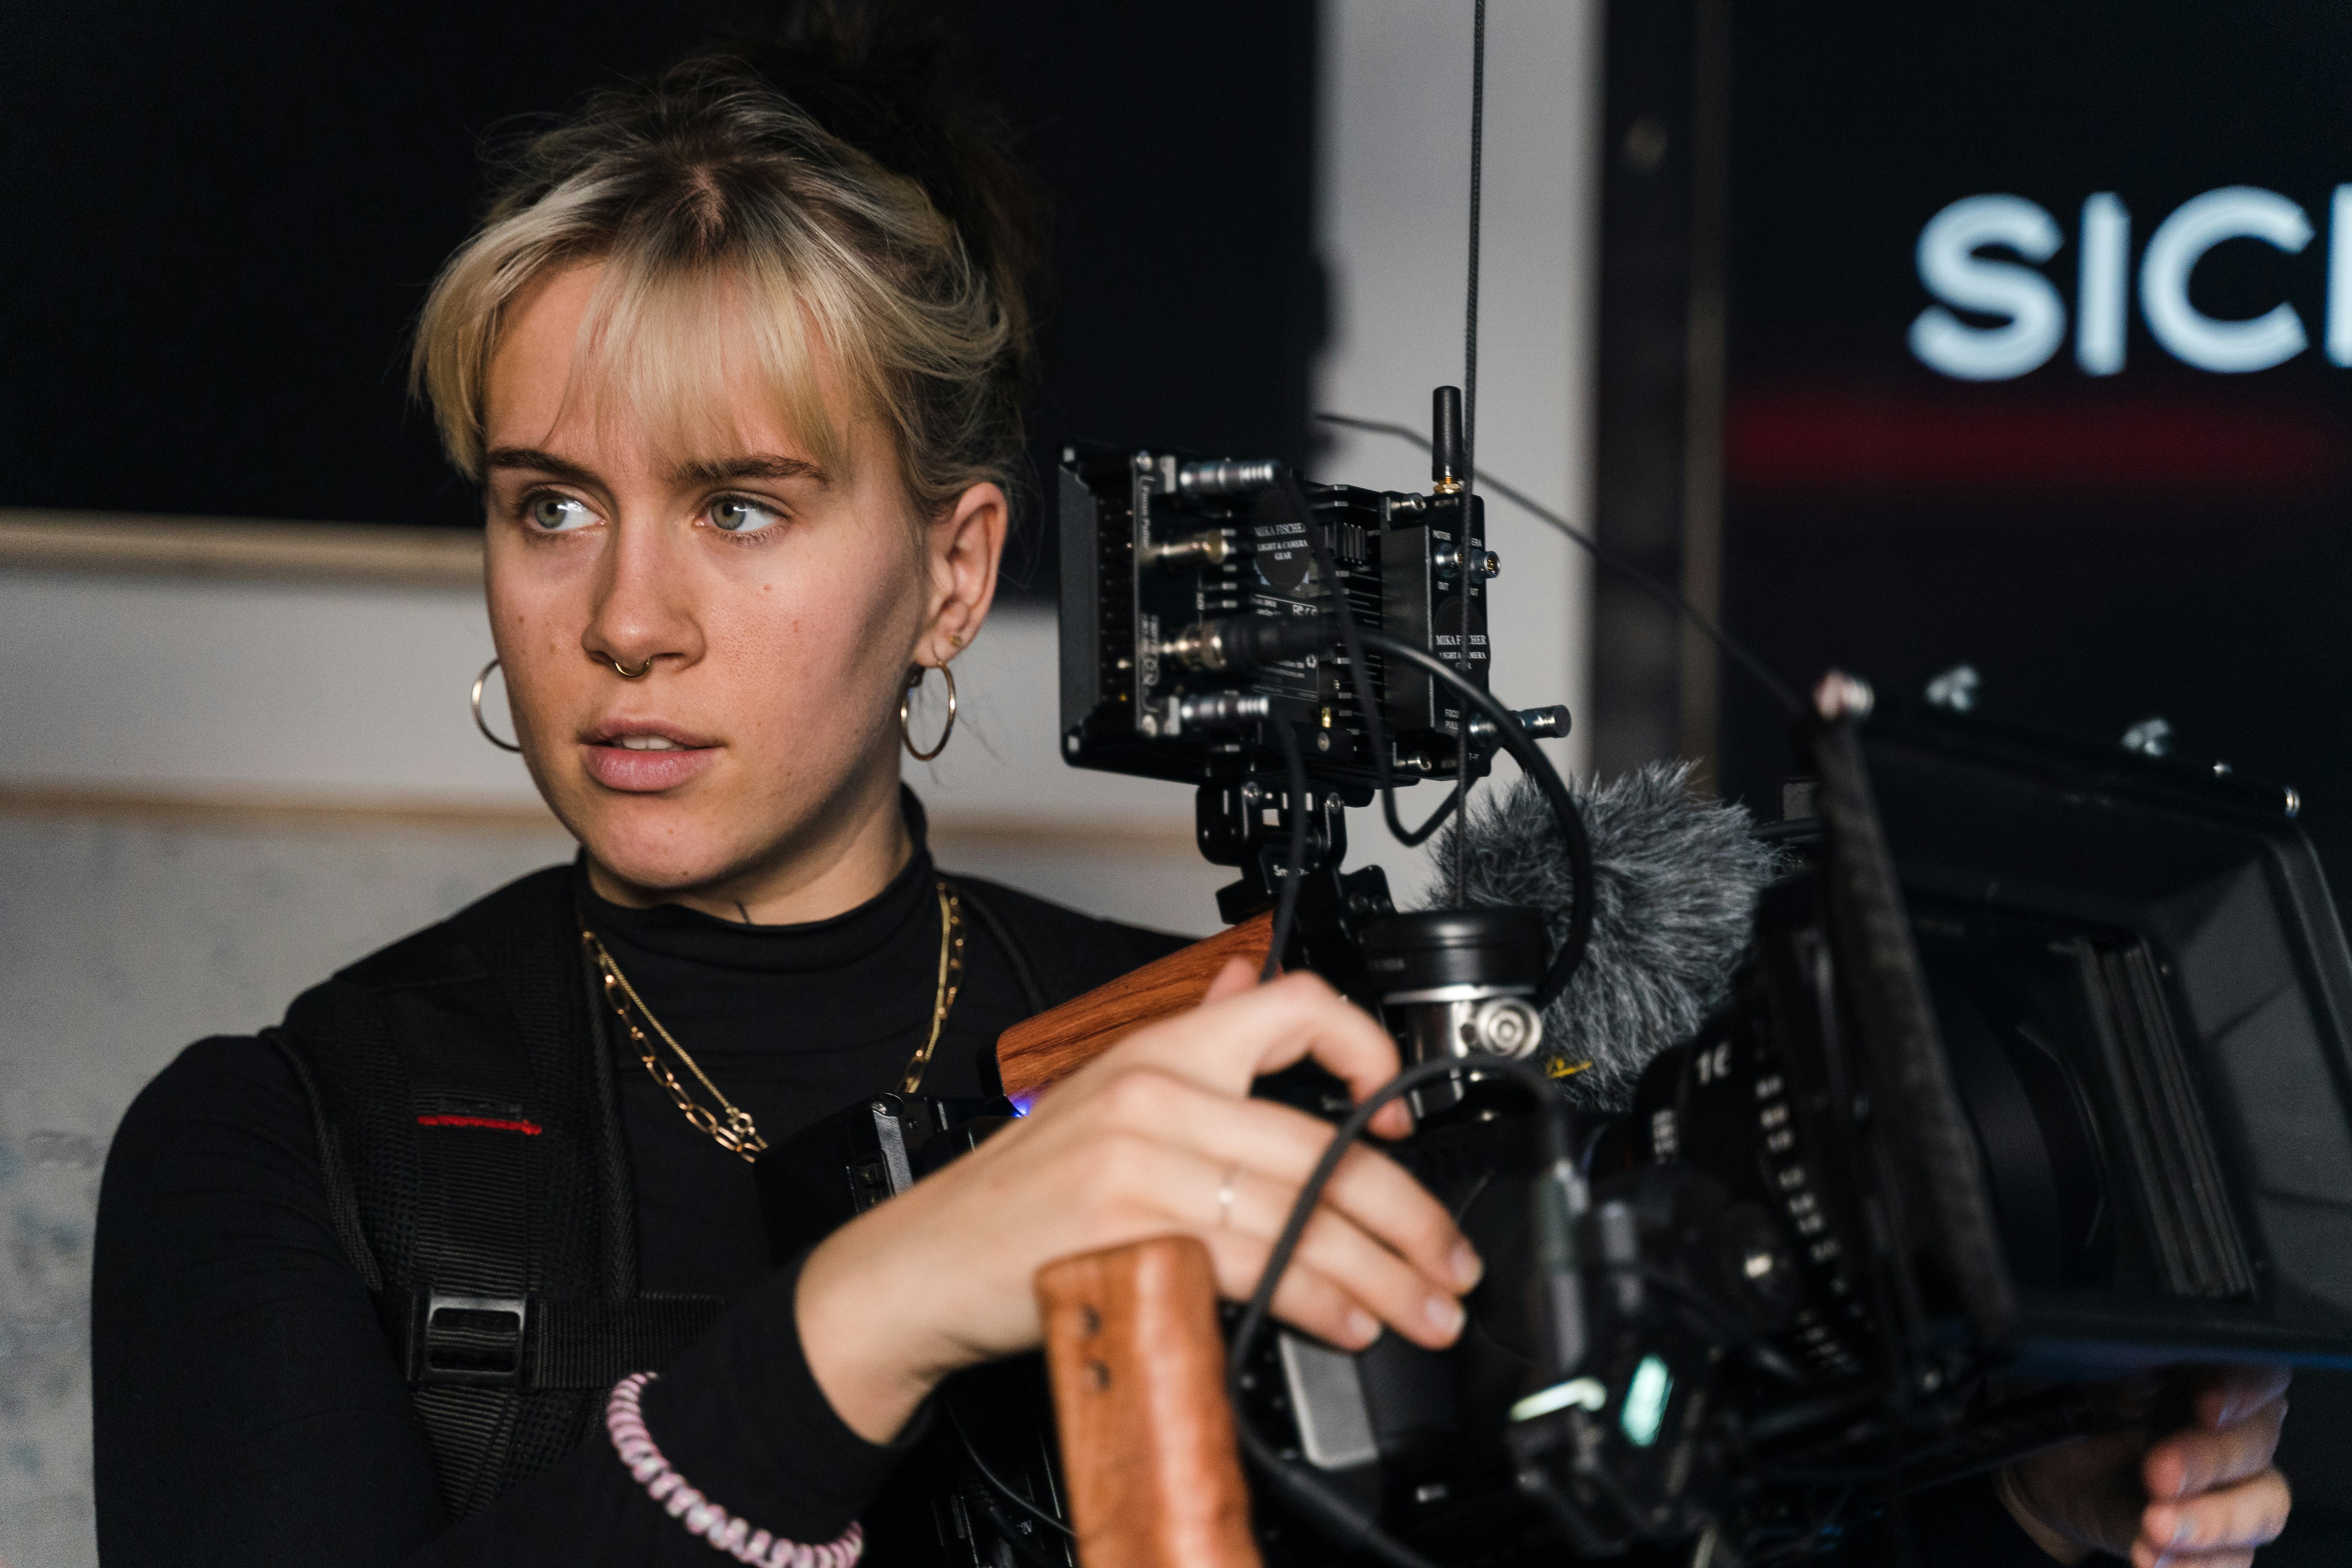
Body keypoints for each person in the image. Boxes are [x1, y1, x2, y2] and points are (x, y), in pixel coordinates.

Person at [91, 16, 2292, 1568]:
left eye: (743, 506)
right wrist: (870, 1317)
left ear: (956, 572)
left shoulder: (1244, 1067)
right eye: (550, 505)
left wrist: (2015, 1522)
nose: (626, 617)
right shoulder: (287, 1146)